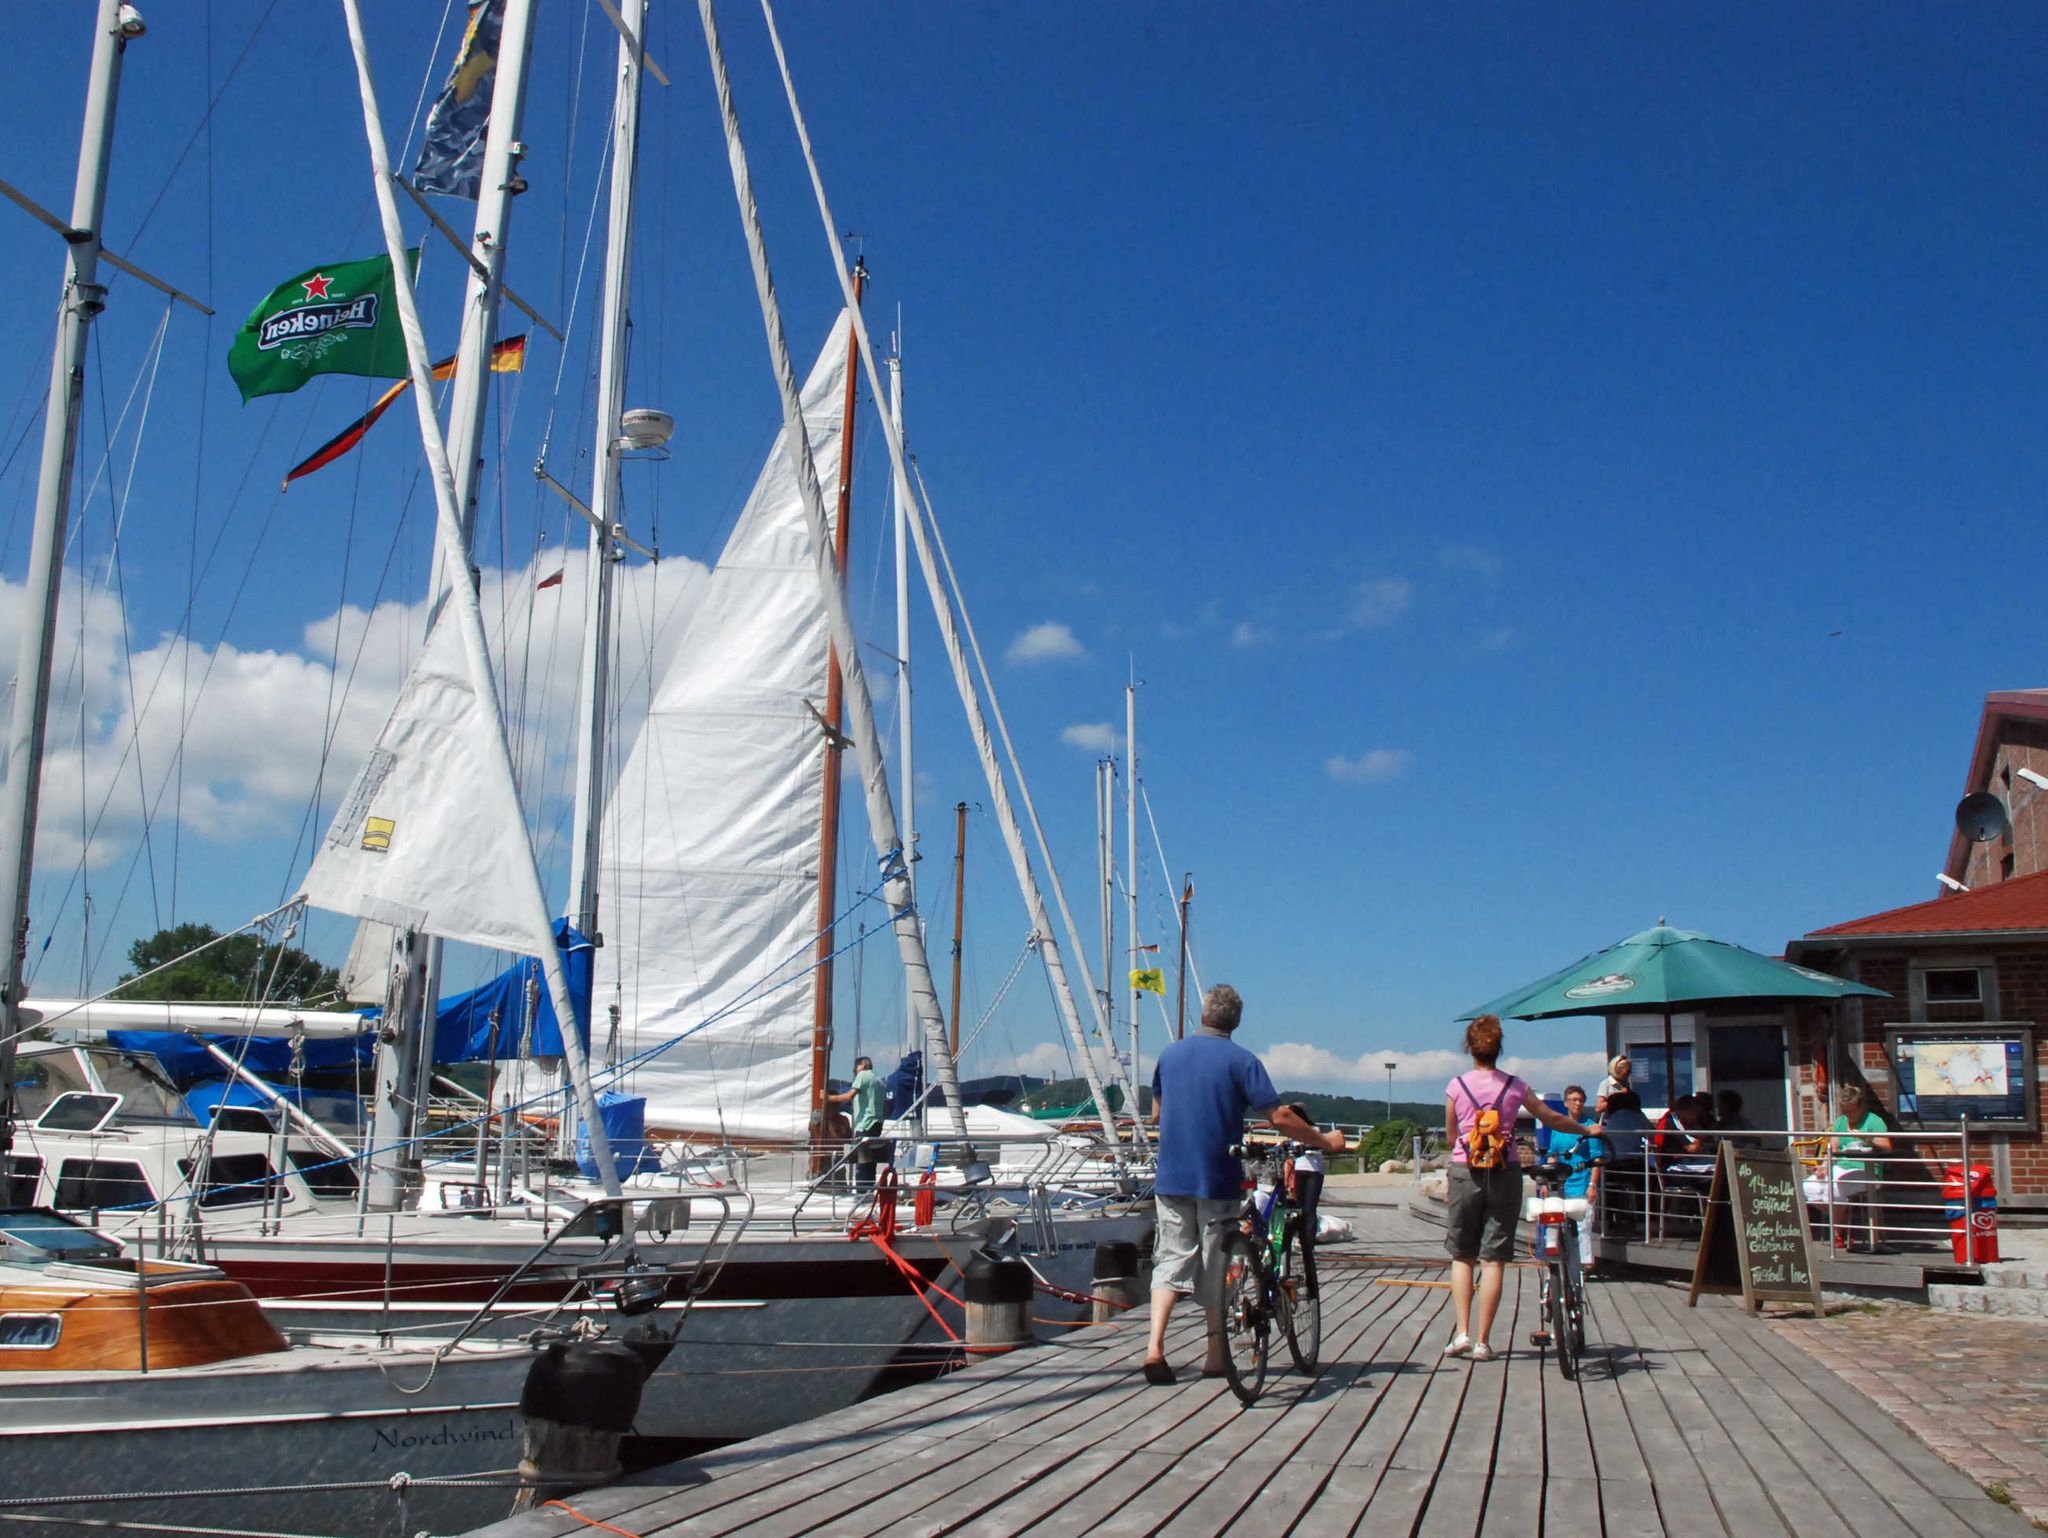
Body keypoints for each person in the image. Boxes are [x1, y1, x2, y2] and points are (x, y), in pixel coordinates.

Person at [1142, 984, 1344, 1385]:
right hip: (1217, 1177)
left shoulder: (1169, 1055)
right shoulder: (1242, 1060)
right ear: (1236, 1021)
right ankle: (1215, 1356)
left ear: (1203, 1014)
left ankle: (1154, 1349)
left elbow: (1156, 1113)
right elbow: (1280, 1117)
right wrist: (1324, 1141)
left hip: (1171, 1176)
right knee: (1218, 1265)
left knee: (1171, 1259)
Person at [1444, 1015, 1595, 1363]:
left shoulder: (1457, 1086)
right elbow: (1551, 1118)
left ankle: (1462, 1333)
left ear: (1470, 1048)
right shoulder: (1515, 1086)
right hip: (1505, 1169)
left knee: (1462, 1254)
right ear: (1499, 1048)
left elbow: (1453, 1136)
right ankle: (1483, 1341)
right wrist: (1588, 1131)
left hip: (1464, 1170)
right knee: (1494, 1256)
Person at [1802, 1083, 1893, 1250]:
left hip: (1866, 1168)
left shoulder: (1874, 1121)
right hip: (1841, 1165)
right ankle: (1843, 1227)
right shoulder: (1840, 1122)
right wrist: (1824, 1166)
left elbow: (1887, 1147)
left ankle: (1837, 1233)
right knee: (1809, 1187)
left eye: (1851, 1111)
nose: (1848, 1115)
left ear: (1860, 1106)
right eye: (1845, 1111)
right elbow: (1833, 1149)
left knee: (1834, 1188)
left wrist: (1868, 1140)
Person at [1540, 1085, 1606, 1276]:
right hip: (1560, 1183)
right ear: (1566, 1103)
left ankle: (1584, 1264)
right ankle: (1552, 1254)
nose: (1577, 1103)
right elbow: (1553, 1155)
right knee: (1553, 1219)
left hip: (1582, 1181)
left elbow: (1596, 1159)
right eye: (1574, 1100)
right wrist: (1546, 1182)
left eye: (1581, 1100)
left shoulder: (1588, 1127)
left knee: (1582, 1225)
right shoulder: (1559, 1127)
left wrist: (1592, 1185)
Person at [823, 1055, 888, 1192]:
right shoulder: (879, 1081)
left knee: (863, 1162)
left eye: (856, 1068)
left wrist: (827, 1098)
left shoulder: (863, 1075)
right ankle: (868, 1189)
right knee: (871, 1162)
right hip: (877, 1124)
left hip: (865, 1124)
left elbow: (849, 1096)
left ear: (863, 1065)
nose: (854, 1071)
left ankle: (861, 1191)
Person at [1597, 1089, 1654, 1236]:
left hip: (1611, 1164)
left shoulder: (1612, 1118)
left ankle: (1608, 1220)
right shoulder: (1638, 1116)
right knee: (1647, 1182)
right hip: (1632, 1163)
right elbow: (1652, 1134)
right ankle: (1642, 1219)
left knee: (1610, 1189)